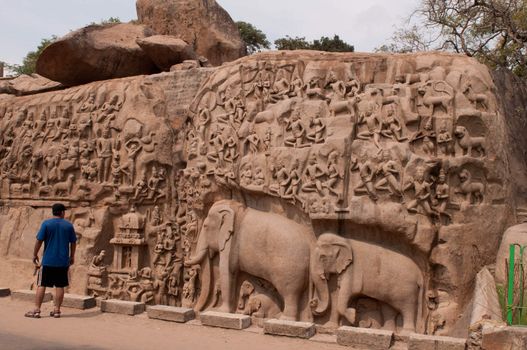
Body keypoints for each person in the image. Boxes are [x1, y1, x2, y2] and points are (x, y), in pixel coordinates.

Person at [25, 203, 77, 318]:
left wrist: (34, 254)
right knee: (60, 286)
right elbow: (73, 242)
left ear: (53, 212)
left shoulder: (46, 224)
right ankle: (57, 310)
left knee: (42, 284)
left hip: (48, 260)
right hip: (63, 262)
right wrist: (72, 256)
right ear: (62, 212)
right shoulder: (68, 226)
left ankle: (37, 310)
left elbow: (39, 240)